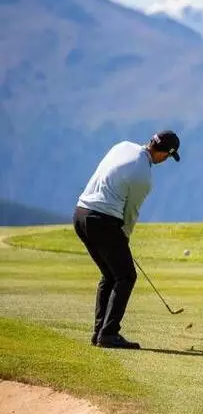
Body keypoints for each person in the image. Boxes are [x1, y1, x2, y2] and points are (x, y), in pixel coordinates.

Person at [72, 130, 181, 349]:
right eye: (168, 157)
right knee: (126, 276)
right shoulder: (143, 176)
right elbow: (130, 213)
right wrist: (124, 237)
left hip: (81, 214)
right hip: (102, 221)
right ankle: (109, 333)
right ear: (164, 154)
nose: (165, 161)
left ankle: (99, 332)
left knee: (111, 275)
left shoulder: (122, 146)